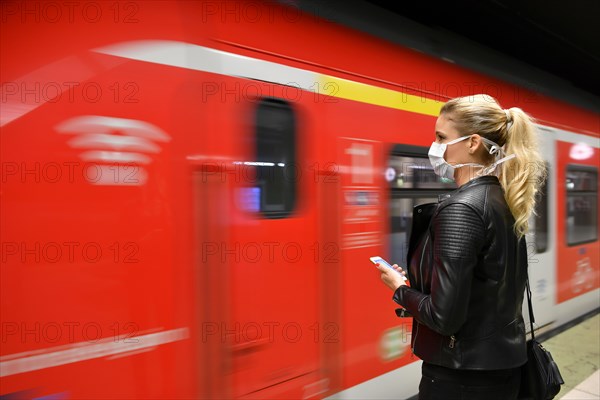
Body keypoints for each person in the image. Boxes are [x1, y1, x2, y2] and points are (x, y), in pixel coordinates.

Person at [375, 94, 546, 400]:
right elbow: (483, 288)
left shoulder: (462, 209)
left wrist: (400, 288)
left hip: (462, 377)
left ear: (473, 143)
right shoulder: (503, 199)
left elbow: (445, 318)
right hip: (501, 368)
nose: (435, 146)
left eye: (441, 137)